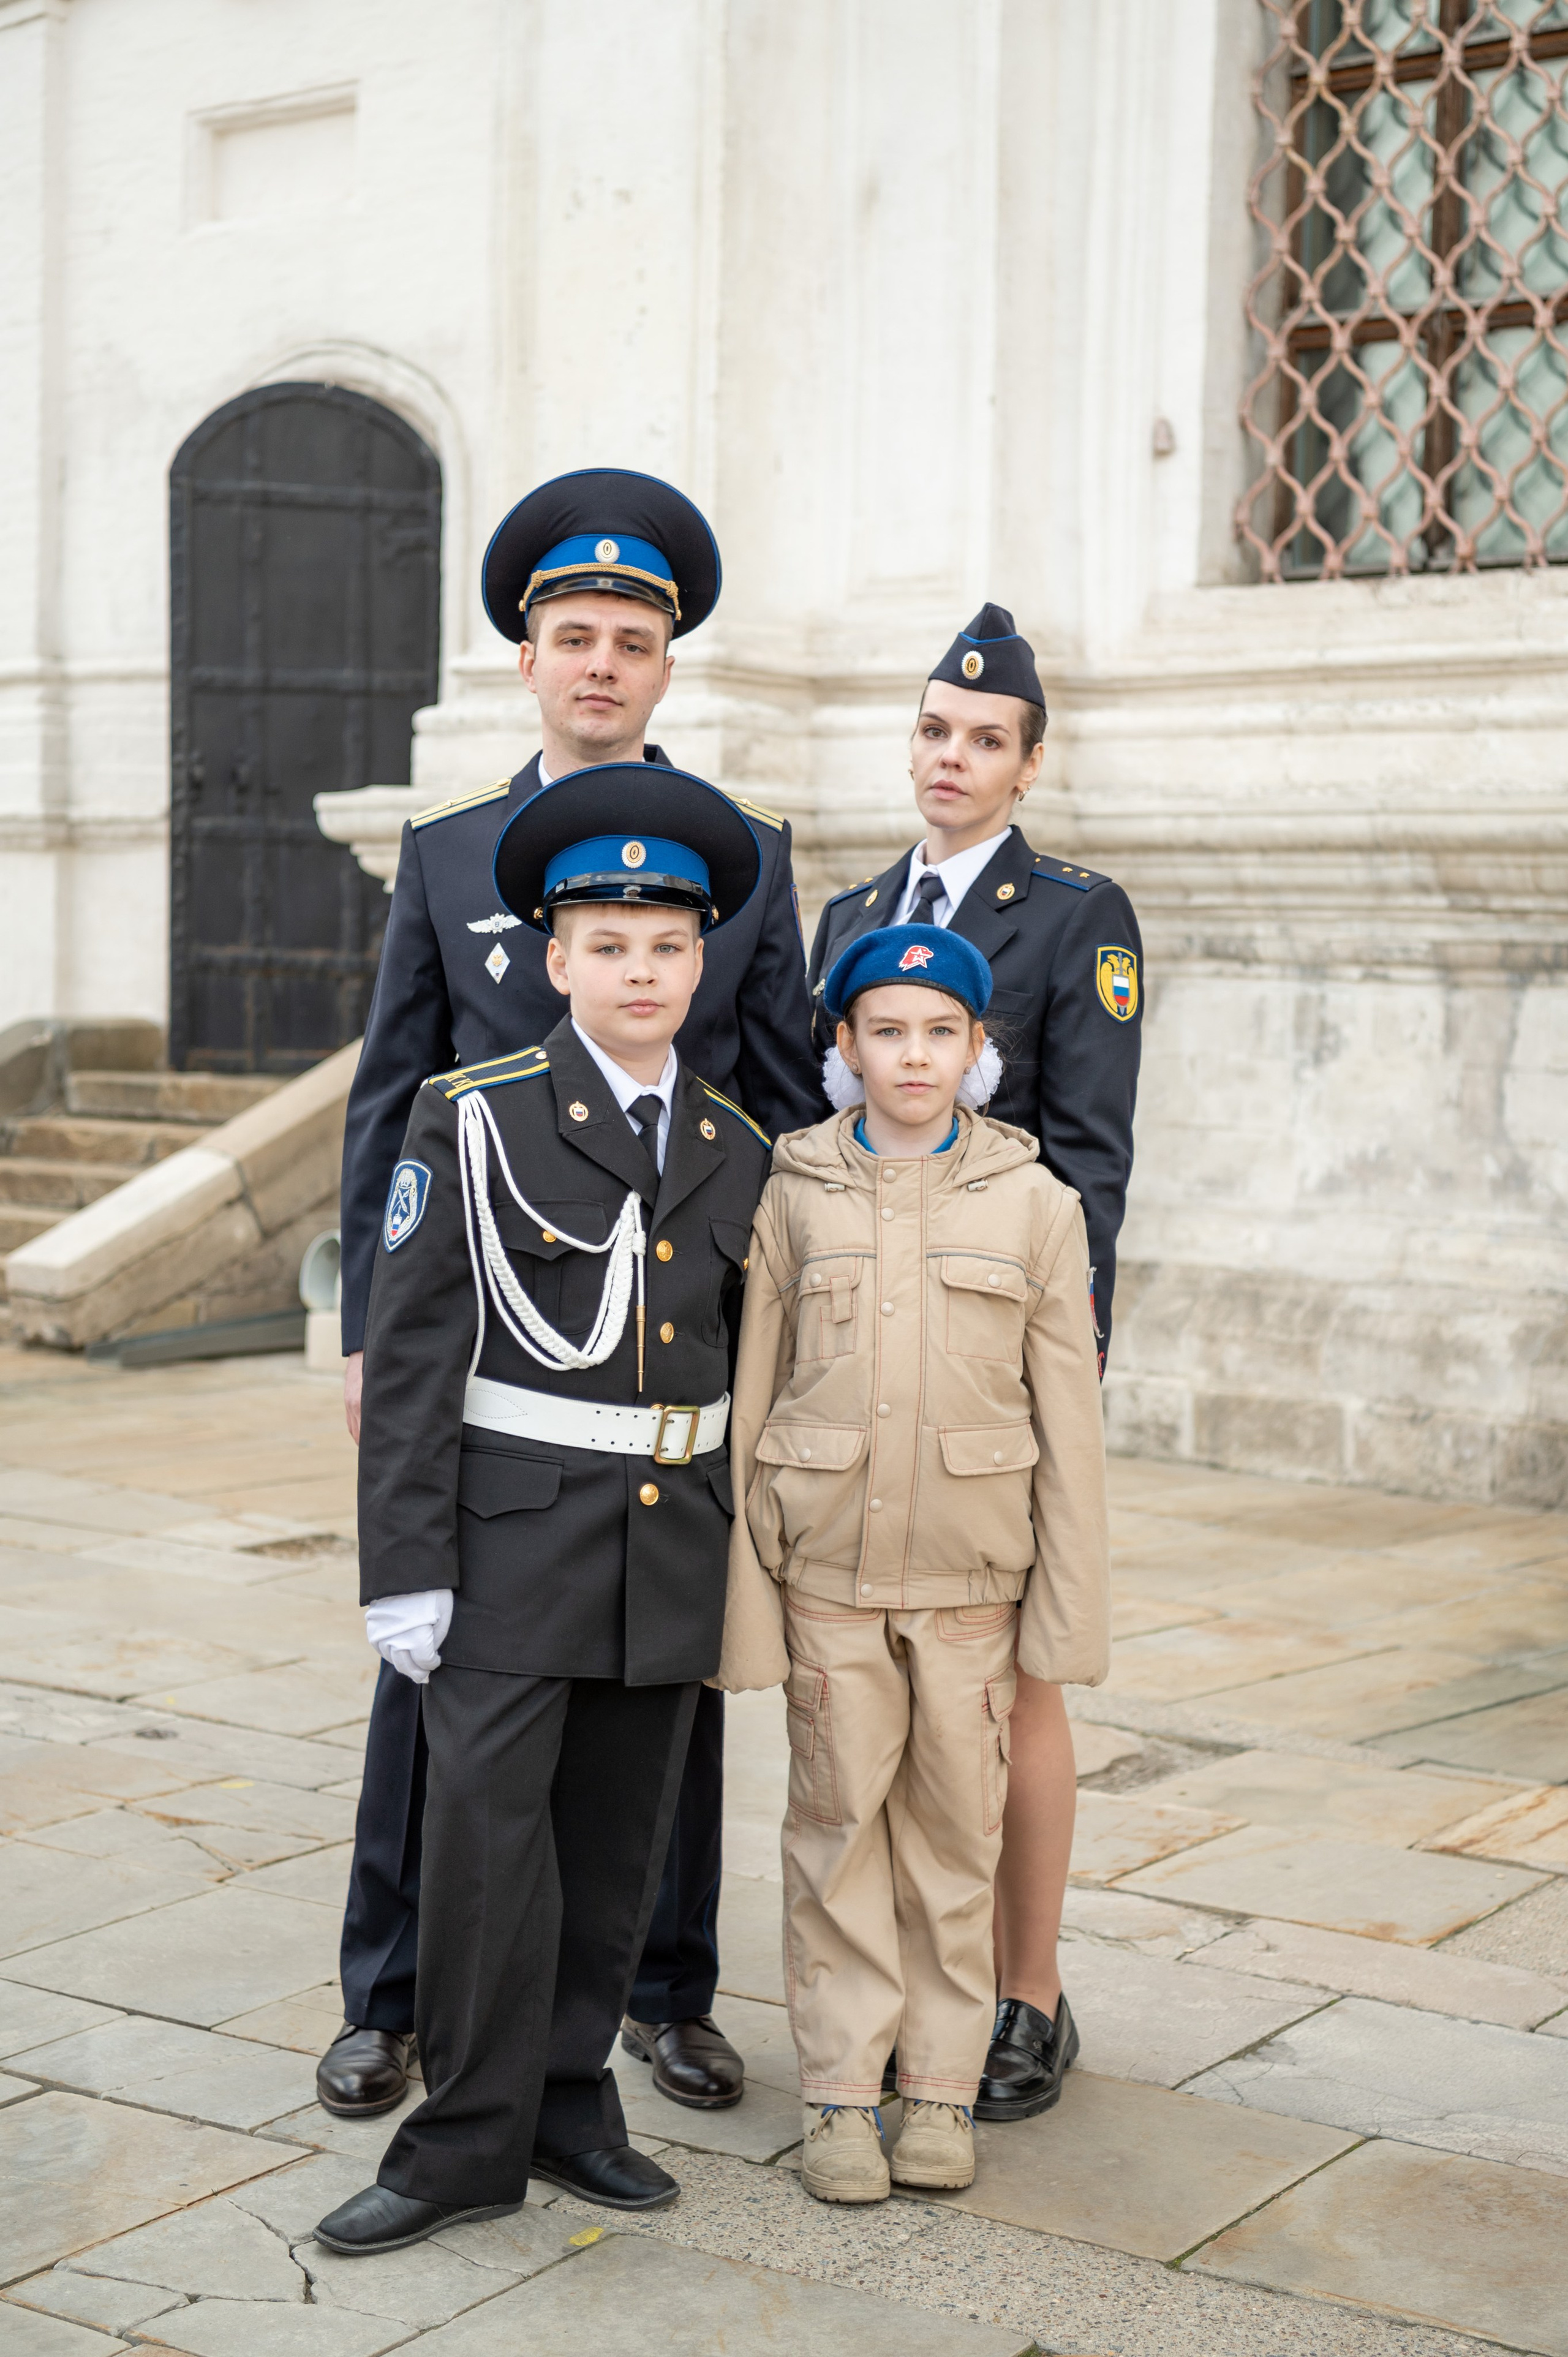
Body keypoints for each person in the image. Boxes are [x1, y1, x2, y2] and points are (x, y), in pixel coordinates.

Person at [321, 470, 823, 2126]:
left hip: (668, 1346)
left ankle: (665, 1992)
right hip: (493, 1336)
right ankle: (391, 1995)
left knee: (660, 1684)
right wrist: (361, 1330)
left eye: (631, 640)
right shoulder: (451, 853)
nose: (600, 663)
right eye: (571, 636)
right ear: (525, 658)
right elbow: (395, 1094)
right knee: (437, 1674)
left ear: (667, 664)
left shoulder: (744, 861)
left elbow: (768, 1109)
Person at [314, 765, 774, 2256]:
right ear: (554, 960)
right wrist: (405, 1566)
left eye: (666, 945)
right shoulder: (476, 1118)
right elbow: (415, 1359)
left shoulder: (734, 1147)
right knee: (486, 1850)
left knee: (613, 1846)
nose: (640, 970)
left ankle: (571, 2100)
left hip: (662, 1547)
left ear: (699, 963)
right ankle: (459, 2137)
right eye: (609, 943)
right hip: (508, 1544)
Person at [805, 605, 1142, 2122]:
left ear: (1028, 761)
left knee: (1013, 1683)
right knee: (878, 1698)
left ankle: (1027, 1993)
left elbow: (1089, 1164)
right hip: (864, 1365)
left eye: (983, 739)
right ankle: (901, 1996)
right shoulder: (847, 913)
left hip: (996, 1363)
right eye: (935, 729)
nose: (952, 757)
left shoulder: (1077, 916)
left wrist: (1056, 1374)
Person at [714, 924, 1110, 2204]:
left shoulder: (1038, 1206)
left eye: (941, 1031)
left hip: (968, 1588)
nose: (913, 1054)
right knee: (832, 1834)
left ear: (979, 1048)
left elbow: (1069, 1436)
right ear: (842, 1046)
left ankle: (938, 2091)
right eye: (885, 1029)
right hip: (825, 1576)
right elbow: (751, 1396)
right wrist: (747, 1611)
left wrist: (1062, 1619)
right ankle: (838, 2094)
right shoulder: (790, 1192)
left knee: (954, 1842)